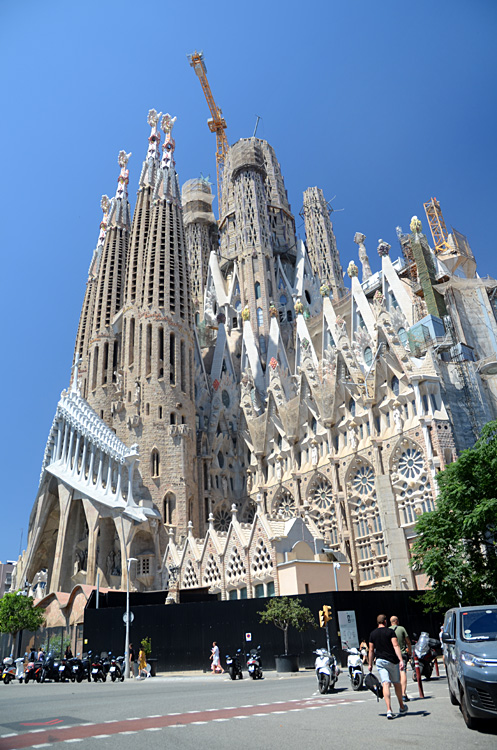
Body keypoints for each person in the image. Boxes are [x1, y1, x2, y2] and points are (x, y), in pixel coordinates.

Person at [369, 614, 408, 720]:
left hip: (380, 661)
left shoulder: (373, 634)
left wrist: (369, 664)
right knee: (396, 683)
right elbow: (396, 645)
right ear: (385, 622)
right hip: (392, 661)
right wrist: (400, 660)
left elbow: (371, 650)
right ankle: (401, 706)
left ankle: (388, 710)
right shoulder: (390, 632)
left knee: (385, 683)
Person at [390, 616, 412, 703]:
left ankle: (397, 693)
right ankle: (403, 694)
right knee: (402, 672)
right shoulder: (401, 629)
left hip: (391, 655)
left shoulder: (388, 630)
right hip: (402, 653)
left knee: (394, 673)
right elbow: (408, 641)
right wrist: (410, 650)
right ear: (396, 621)